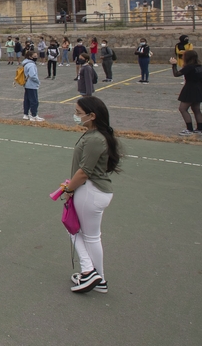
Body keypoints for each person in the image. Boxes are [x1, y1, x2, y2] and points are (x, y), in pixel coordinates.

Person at [56, 96, 121, 294]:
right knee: (90, 236)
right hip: (93, 192)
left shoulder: (94, 139)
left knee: (77, 231)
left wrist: (68, 189)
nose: (76, 116)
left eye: (78, 113)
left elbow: (83, 172)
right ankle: (97, 277)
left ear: (92, 116)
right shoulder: (94, 135)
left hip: (90, 192)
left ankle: (90, 271)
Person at [171, 50, 202, 136]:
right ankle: (200, 129)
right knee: (196, 109)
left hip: (190, 89)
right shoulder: (200, 66)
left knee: (183, 109)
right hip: (199, 89)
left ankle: (189, 129)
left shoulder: (189, 67)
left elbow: (176, 74)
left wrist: (173, 65)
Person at [18, 48, 43, 122]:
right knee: (34, 101)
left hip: (26, 84)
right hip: (32, 85)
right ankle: (34, 115)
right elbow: (32, 75)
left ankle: (26, 114)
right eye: (35, 56)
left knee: (27, 100)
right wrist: (38, 81)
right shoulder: (31, 65)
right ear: (30, 57)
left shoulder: (25, 63)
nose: (36, 57)